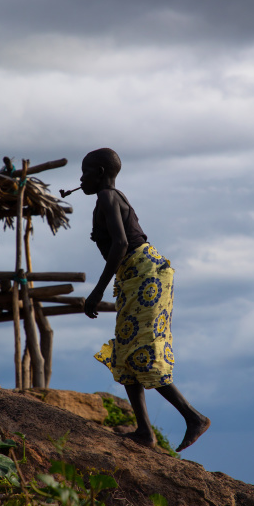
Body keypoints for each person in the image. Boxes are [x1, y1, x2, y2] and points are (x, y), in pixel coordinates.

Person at [81, 148, 210, 452]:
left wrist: (98, 291)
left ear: (99, 173)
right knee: (126, 349)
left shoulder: (107, 197)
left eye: (85, 172)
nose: (81, 179)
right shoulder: (115, 197)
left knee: (142, 348)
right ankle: (145, 433)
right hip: (139, 274)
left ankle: (193, 417)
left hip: (144, 275)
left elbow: (122, 243)